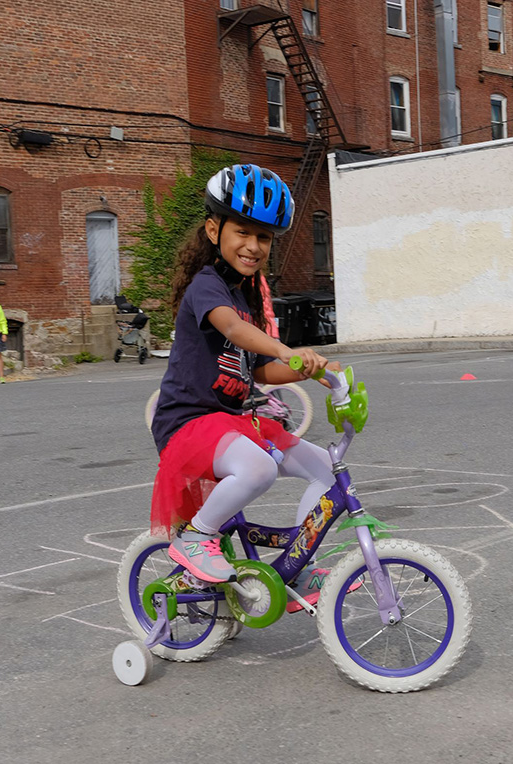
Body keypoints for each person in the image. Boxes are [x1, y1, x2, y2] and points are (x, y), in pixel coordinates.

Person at [150, 163, 339, 611]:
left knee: (324, 470)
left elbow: (257, 371)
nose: (254, 246)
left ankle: (299, 566)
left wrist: (318, 369)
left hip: (229, 421)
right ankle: (196, 538)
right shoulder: (207, 287)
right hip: (188, 423)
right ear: (214, 230)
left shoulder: (246, 292)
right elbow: (234, 331)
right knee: (259, 469)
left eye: (265, 237)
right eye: (243, 232)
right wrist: (286, 348)